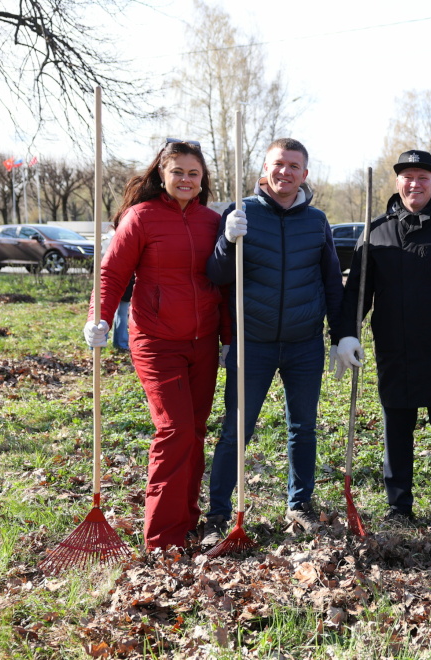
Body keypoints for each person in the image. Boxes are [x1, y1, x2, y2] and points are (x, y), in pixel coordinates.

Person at [334, 149, 431, 532]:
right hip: (396, 352)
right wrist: (346, 334)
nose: (414, 184)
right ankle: (399, 506)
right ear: (398, 182)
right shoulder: (376, 231)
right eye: (408, 177)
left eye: (423, 177)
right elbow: (357, 293)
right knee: (397, 433)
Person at [83, 139, 228, 550]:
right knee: (174, 429)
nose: (186, 179)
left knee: (194, 432)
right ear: (162, 174)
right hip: (156, 340)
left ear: (203, 179)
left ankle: (187, 520)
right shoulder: (140, 217)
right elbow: (112, 273)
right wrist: (98, 316)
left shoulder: (212, 221)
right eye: (177, 171)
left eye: (193, 173)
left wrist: (229, 338)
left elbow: (225, 283)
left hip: (203, 341)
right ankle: (163, 538)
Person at [202, 138, 344, 546]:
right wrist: (227, 240)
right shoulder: (241, 213)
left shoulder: (316, 221)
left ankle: (299, 504)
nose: (285, 172)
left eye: (294, 166)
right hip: (253, 343)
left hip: (304, 344)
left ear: (305, 174)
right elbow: (217, 274)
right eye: (278, 164)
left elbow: (331, 282)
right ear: (265, 169)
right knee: (236, 430)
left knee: (303, 429)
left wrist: (342, 335)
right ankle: (218, 513)